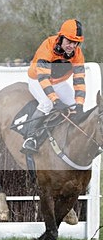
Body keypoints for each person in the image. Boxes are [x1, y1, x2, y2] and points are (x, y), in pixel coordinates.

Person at [20, 19, 85, 153]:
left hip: (58, 82)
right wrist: (55, 100)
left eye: (75, 42)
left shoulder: (78, 54)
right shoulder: (48, 46)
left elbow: (79, 80)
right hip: (37, 79)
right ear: (61, 37)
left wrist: (80, 104)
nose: (72, 46)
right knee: (47, 104)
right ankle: (30, 137)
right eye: (69, 41)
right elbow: (43, 78)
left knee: (73, 106)